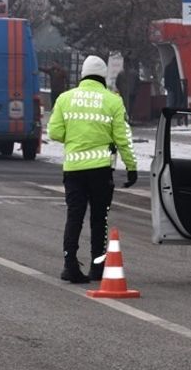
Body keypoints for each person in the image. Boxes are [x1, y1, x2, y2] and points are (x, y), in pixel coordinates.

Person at [48, 55, 138, 284]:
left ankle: (70, 265)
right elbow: (122, 138)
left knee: (74, 217)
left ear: (83, 75)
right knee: (99, 219)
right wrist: (131, 167)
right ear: (103, 75)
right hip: (100, 170)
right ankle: (97, 267)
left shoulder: (65, 99)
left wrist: (77, 136)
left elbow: (54, 133)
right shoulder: (113, 101)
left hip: (73, 170)